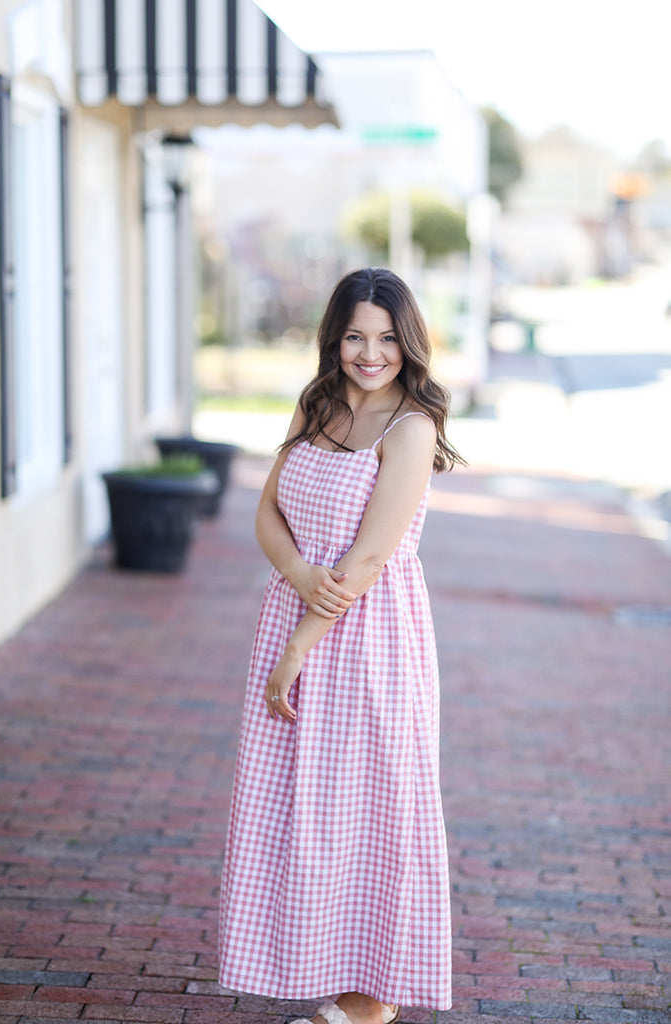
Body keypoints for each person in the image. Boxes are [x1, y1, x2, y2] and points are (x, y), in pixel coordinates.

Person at [218, 267, 465, 1024]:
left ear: (408, 342)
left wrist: (298, 645)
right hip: (297, 608)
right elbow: (267, 508)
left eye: (388, 338)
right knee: (295, 807)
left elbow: (367, 558)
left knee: (372, 807)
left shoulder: (411, 426)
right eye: (356, 335)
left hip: (368, 637)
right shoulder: (317, 404)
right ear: (335, 336)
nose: (370, 352)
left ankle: (370, 1001)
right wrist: (295, 572)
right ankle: (318, 965)